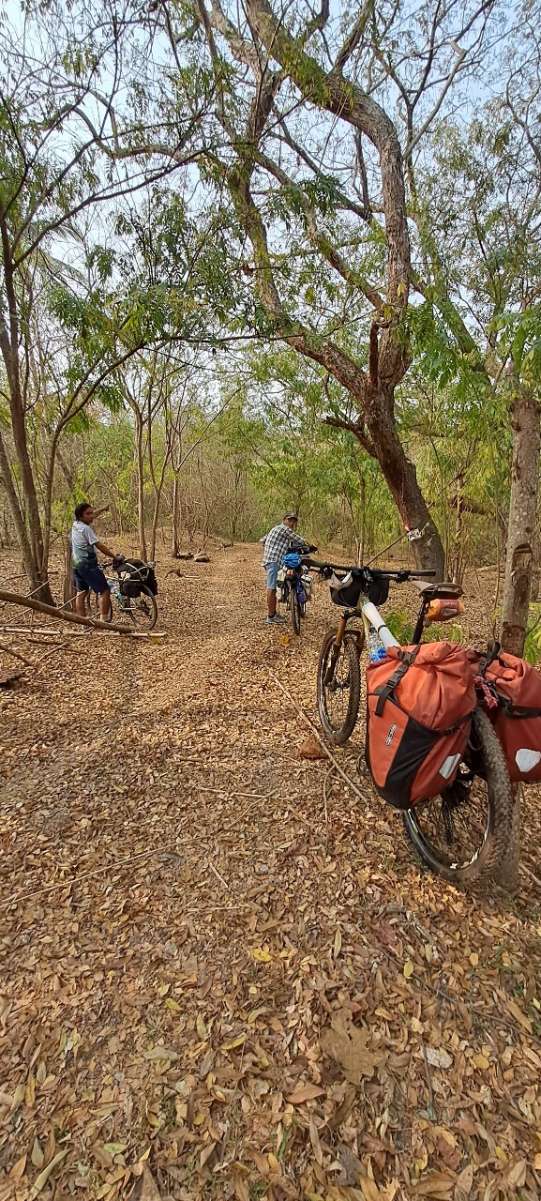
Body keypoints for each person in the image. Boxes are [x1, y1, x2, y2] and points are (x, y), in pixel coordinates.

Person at [261, 512, 315, 625]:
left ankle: (274, 613)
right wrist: (310, 546)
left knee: (275, 586)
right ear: (284, 520)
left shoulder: (275, 529)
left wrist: (273, 546)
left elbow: (262, 540)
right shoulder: (284, 529)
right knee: (272, 588)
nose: (291, 523)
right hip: (274, 561)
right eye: (289, 520)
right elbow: (299, 540)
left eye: (294, 521)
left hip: (270, 560)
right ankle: (270, 616)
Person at [71, 502, 122, 619]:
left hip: (77, 565)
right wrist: (114, 557)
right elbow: (100, 546)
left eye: (92, 513)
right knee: (105, 591)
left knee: (81, 593)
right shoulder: (86, 529)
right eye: (88, 514)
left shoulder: (75, 525)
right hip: (88, 566)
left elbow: (93, 515)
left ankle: (83, 623)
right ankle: (104, 621)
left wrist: (103, 509)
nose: (91, 516)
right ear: (80, 516)